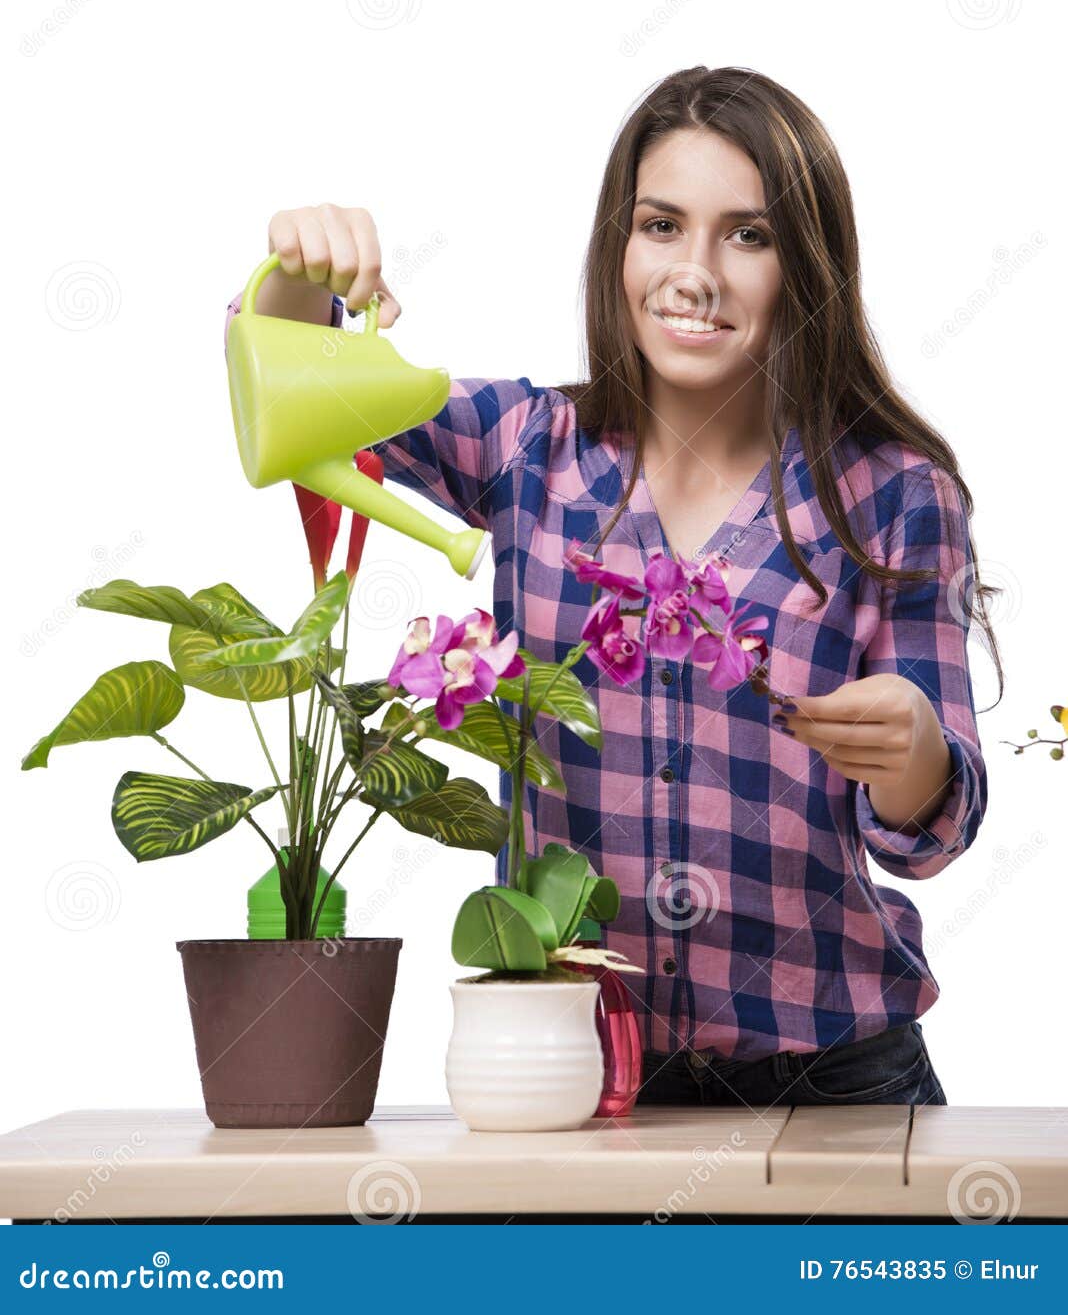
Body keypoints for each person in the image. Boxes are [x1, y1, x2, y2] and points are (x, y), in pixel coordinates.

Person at [224, 65, 996, 1109]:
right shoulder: (523, 448)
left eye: (749, 235)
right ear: (617, 246)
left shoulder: (891, 497)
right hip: (570, 1080)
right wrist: (298, 274)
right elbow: (294, 399)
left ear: (807, 267)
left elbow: (930, 836)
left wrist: (913, 755)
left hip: (839, 1084)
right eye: (663, 225)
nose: (696, 273)